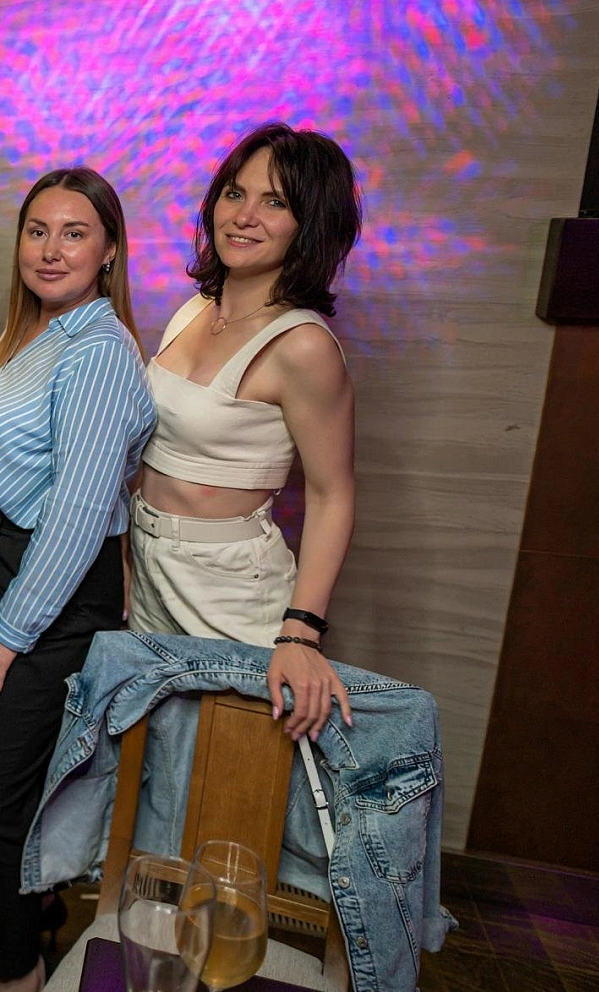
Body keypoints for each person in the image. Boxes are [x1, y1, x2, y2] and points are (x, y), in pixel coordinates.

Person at [0, 168, 155, 992]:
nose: (50, 248)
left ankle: (20, 974)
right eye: (36, 230)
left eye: (74, 233)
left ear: (108, 252)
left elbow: (76, 512)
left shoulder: (97, 351)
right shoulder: (30, 335)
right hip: (7, 563)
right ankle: (31, 916)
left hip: (50, 589)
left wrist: (9, 630)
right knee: (10, 785)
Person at [132, 121, 363, 739]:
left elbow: (333, 494)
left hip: (230, 585)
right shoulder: (192, 310)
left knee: (228, 768)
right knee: (154, 764)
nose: (244, 216)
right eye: (235, 193)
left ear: (309, 224)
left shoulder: (304, 346)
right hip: (149, 569)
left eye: (275, 202)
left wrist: (301, 632)